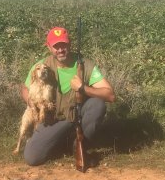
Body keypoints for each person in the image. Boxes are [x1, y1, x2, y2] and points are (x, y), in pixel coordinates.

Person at [21, 26, 115, 166]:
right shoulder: (42, 66)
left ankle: (80, 143)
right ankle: (63, 141)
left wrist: (83, 88)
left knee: (97, 105)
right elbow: (24, 87)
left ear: (69, 44)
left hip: (78, 114)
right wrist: (31, 101)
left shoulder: (85, 64)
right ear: (49, 47)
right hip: (54, 119)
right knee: (32, 158)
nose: (60, 50)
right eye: (56, 46)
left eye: (64, 45)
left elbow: (110, 95)